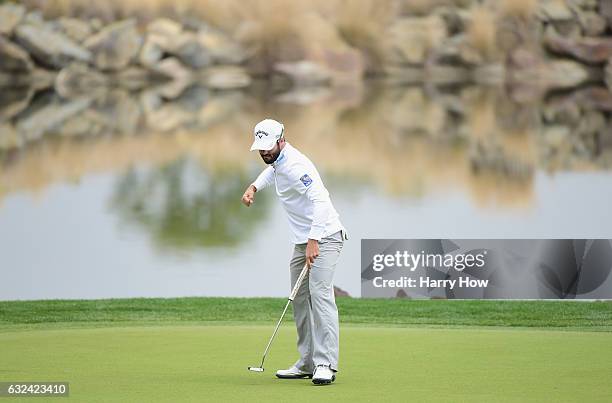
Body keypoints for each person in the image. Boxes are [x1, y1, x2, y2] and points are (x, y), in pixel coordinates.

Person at [241, 118, 347, 386]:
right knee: (299, 298)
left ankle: (325, 364)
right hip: (305, 240)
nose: (264, 152)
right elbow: (273, 172)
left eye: (268, 147)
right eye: (261, 148)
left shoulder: (297, 165)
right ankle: (307, 362)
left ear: (281, 140)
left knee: (321, 295)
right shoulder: (278, 161)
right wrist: (254, 187)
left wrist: (314, 240)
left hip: (325, 237)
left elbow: (321, 200)